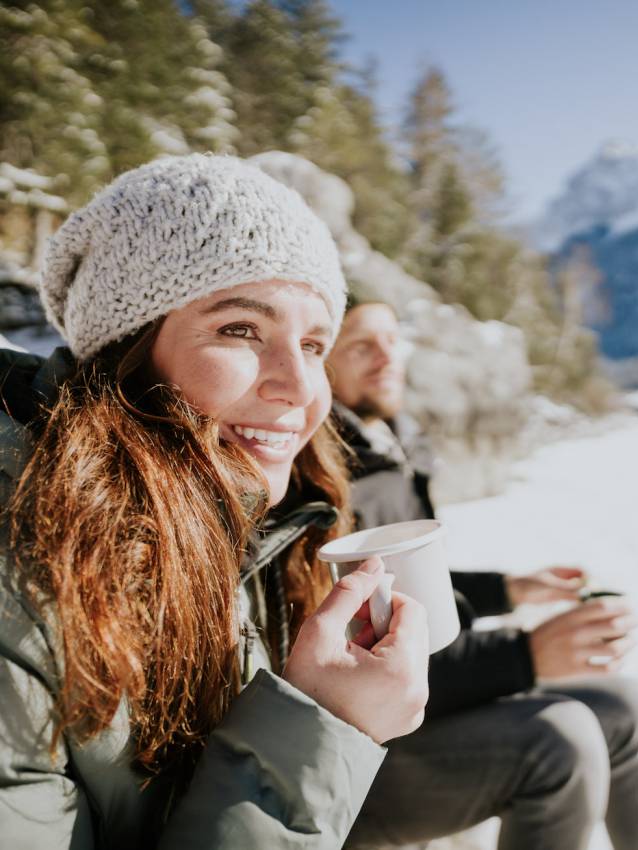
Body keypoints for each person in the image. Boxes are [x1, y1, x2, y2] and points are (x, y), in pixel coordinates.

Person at [0, 156, 430, 850]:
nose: (299, 385)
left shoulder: (266, 527)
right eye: (240, 330)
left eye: (315, 343)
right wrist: (322, 725)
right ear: (127, 354)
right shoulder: (20, 587)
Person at [327, 301, 638, 850]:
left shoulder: (392, 448)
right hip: (360, 754)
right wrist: (525, 655)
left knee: (626, 706)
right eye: (361, 344)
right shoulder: (328, 477)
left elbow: (410, 594)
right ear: (320, 362)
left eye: (394, 339)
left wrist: (506, 590)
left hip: (422, 712)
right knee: (559, 740)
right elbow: (369, 654)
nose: (387, 356)